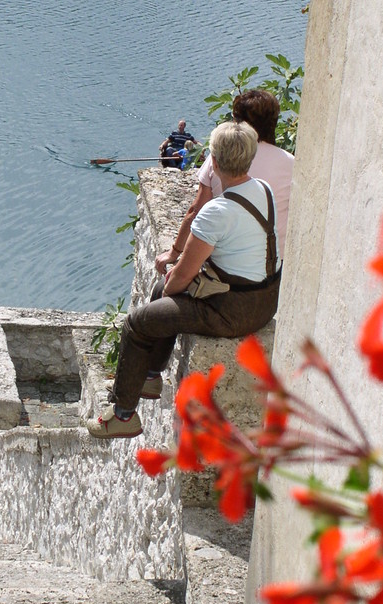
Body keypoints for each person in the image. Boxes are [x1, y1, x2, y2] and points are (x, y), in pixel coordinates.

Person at [87, 121, 281, 439]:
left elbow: (181, 277)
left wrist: (170, 274)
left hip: (231, 311)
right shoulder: (264, 190)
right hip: (264, 299)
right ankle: (149, 375)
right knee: (162, 292)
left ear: (214, 162)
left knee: (138, 322)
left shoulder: (216, 212)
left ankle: (121, 415)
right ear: (250, 159)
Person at [156, 89, 293, 274]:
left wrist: (174, 252)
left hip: (228, 268)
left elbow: (195, 211)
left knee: (161, 292)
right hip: (275, 266)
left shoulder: (221, 158)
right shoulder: (292, 163)